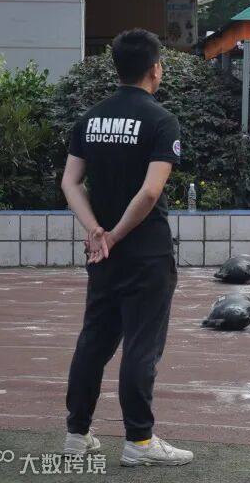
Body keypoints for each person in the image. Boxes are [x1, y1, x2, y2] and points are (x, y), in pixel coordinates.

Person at [60, 28, 192, 467]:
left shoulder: (90, 119)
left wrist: (96, 231)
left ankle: (77, 435)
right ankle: (139, 442)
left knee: (94, 342)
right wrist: (115, 234)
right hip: (146, 252)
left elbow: (70, 183)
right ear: (155, 69)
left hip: (102, 254)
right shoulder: (161, 120)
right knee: (141, 345)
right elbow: (151, 192)